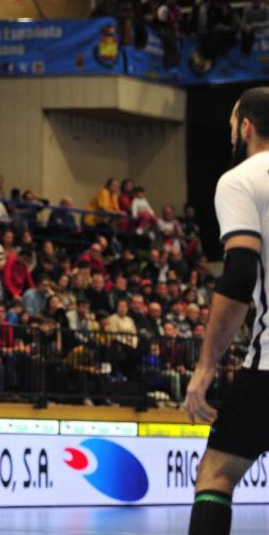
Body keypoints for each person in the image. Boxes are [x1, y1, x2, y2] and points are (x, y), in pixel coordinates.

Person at [185, 87, 269, 535]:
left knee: (215, 474)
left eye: (232, 124)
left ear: (247, 128)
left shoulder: (241, 179)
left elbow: (239, 275)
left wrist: (205, 367)